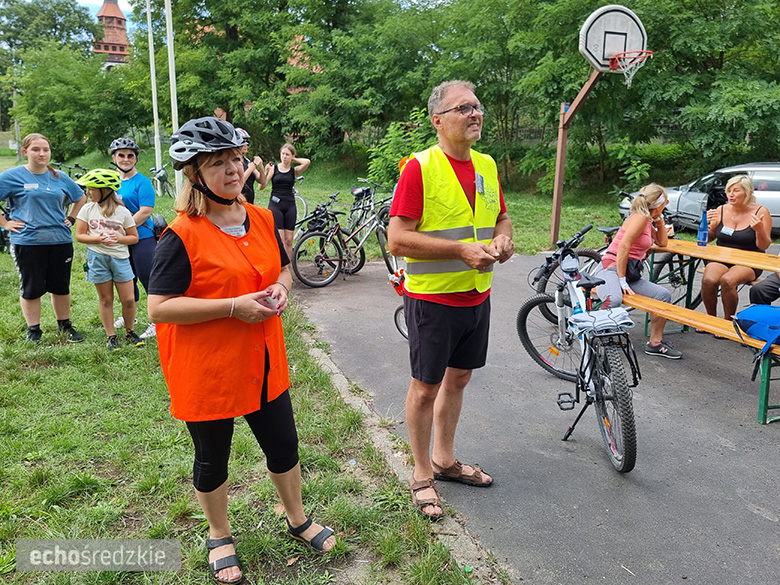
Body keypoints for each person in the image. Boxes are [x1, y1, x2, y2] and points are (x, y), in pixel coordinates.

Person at [148, 117, 334, 584]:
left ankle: (296, 518)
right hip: (208, 368)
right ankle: (219, 533)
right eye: (218, 163)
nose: (233, 170)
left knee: (284, 445)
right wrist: (232, 306)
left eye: (236, 158)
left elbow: (283, 271)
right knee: (213, 457)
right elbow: (159, 308)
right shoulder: (181, 234)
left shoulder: (264, 218)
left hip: (265, 362)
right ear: (194, 174)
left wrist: (282, 290)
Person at [387, 80, 515, 521]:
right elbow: (397, 239)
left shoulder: (486, 164)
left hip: (477, 296)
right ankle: (422, 473)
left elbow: (501, 216)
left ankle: (444, 460)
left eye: (477, 106)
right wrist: (458, 250)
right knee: (426, 387)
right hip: (433, 300)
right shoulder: (420, 168)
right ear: (438, 120)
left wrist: (505, 239)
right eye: (463, 107)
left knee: (458, 380)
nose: (475, 113)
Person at [0, 133, 86, 343]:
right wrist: (5, 224)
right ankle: (34, 331)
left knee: (60, 286)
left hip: (60, 240)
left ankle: (64, 326)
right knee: (32, 287)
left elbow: (80, 197)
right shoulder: (12, 176)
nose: (42, 153)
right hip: (28, 241)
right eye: (36, 149)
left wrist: (72, 218)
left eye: (45, 149)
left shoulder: (59, 176)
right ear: (25, 152)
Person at [595, 183, 682, 358]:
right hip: (611, 268)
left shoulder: (647, 220)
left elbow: (663, 242)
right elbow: (624, 246)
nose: (667, 204)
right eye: (665, 202)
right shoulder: (639, 218)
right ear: (659, 202)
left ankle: (655, 344)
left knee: (662, 295)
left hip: (630, 273)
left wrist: (659, 217)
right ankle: (595, 336)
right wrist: (621, 279)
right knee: (613, 300)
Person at [74, 169, 144, 350]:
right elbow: (80, 235)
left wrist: (119, 238)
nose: (88, 192)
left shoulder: (123, 212)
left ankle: (130, 331)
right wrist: (97, 239)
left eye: (92, 189)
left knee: (128, 299)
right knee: (106, 299)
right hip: (97, 258)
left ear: (105, 191)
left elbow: (134, 237)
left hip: (120, 258)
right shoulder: (87, 209)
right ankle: (111, 336)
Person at [701, 175, 772, 322]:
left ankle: (727, 322)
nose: (730, 195)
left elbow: (764, 245)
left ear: (748, 192)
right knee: (709, 279)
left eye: (736, 191)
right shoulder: (721, 209)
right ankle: (710, 320)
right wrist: (708, 225)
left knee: (728, 280)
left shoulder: (761, 212)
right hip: (722, 258)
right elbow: (709, 238)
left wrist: (759, 230)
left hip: (749, 261)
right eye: (728, 191)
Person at [110, 137, 158, 339]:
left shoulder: (143, 182)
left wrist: (125, 229)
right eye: (121, 155)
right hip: (120, 239)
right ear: (114, 157)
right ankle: (131, 317)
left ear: (136, 158)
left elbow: (145, 211)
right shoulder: (111, 181)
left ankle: (158, 321)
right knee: (127, 279)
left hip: (142, 237)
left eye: (130, 155)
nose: (126, 159)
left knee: (149, 279)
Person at [259, 143, 310, 261]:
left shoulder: (294, 171)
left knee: (289, 240)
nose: (284, 157)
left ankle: (288, 269)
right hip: (276, 205)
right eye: (282, 154)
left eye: (287, 154)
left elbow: (307, 162)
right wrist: (265, 172)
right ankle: (279, 268)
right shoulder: (274, 168)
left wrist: (293, 159)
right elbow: (261, 187)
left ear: (292, 156)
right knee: (280, 240)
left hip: (290, 205)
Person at [235, 128, 263, 205]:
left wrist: (261, 167)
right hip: (238, 203)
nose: (246, 145)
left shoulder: (247, 161)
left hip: (250, 203)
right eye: (243, 142)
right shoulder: (233, 162)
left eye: (247, 142)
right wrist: (250, 169)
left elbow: (262, 182)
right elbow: (239, 182)